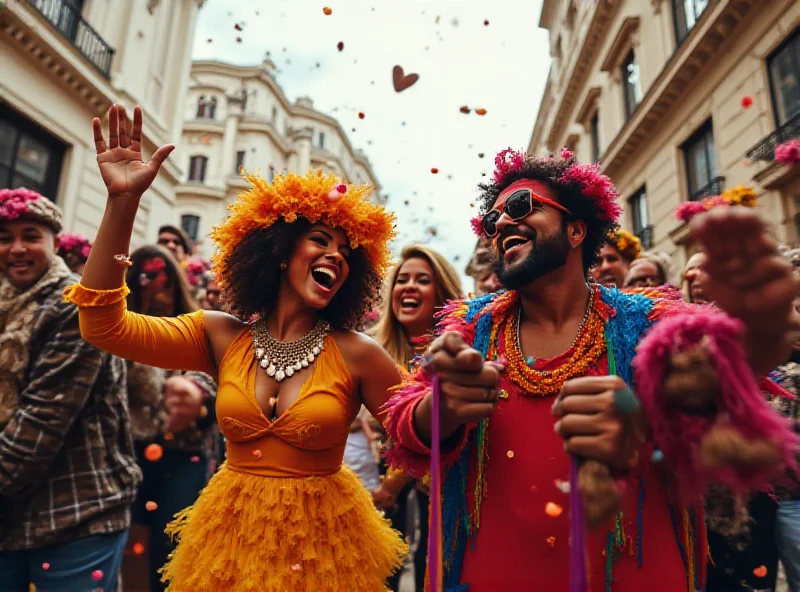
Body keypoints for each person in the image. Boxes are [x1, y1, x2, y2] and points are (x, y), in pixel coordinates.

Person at [384, 148, 796, 591]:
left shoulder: (649, 324)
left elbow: (726, 406)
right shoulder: (470, 331)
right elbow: (402, 422)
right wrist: (440, 408)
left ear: (576, 229)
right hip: (494, 574)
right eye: (491, 219)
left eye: (520, 206)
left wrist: (646, 423)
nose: (500, 223)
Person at [64, 104, 406, 589]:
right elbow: (103, 326)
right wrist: (122, 204)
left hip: (323, 551)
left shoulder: (359, 353)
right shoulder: (220, 335)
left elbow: (422, 433)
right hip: (230, 541)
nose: (336, 256)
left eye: (347, 253)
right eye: (320, 240)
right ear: (280, 251)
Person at [0, 188, 140, 591]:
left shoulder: (73, 305)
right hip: (11, 518)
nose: (17, 248)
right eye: (5, 237)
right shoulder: (6, 301)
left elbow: (40, 423)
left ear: (55, 243)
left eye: (30, 235)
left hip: (76, 513)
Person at [122, 245, 219, 592]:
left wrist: (197, 391)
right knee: (132, 550)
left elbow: (219, 376)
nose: (155, 291)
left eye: (163, 281)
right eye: (145, 280)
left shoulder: (200, 329)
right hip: (130, 456)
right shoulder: (119, 330)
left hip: (184, 456)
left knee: (172, 547)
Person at [371, 244, 464, 591]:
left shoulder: (459, 353)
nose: (408, 287)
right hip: (371, 491)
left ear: (441, 293)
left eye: (422, 280)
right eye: (402, 280)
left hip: (441, 496)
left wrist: (392, 484)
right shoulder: (370, 352)